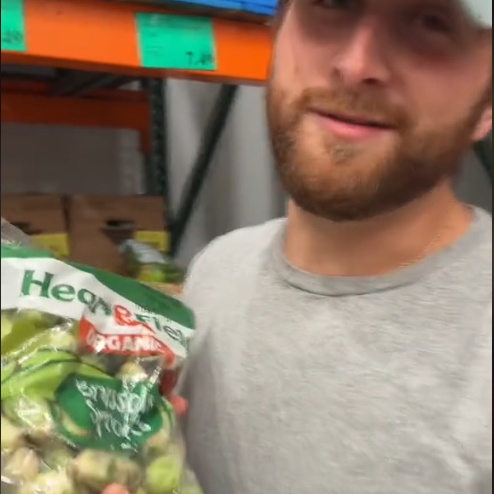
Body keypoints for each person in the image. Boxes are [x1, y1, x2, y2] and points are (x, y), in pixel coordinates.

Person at [110, 0, 492, 493]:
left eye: (431, 21)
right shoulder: (217, 271)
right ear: (278, 32)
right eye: (332, 4)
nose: (357, 65)